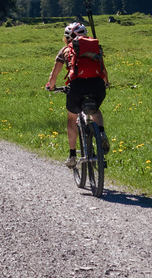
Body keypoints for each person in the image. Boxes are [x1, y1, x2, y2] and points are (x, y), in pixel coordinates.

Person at [45, 21, 110, 168]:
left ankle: (73, 155)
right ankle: (101, 133)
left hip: (77, 87)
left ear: (67, 37)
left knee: (71, 117)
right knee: (96, 111)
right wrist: (106, 83)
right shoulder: (95, 47)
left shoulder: (65, 50)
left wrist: (51, 86)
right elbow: (102, 70)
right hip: (97, 86)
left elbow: (54, 75)